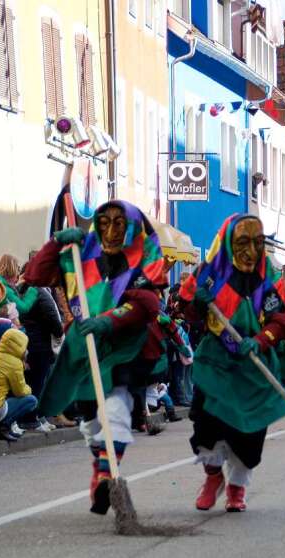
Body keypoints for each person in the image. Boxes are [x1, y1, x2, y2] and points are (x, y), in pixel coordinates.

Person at [24, 200, 168, 515]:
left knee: (116, 409)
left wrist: (107, 321)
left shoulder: (143, 259)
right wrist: (55, 243)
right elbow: (34, 276)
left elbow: (147, 305)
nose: (112, 231)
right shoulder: (80, 255)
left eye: (120, 223)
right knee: (90, 418)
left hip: (125, 349)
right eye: (105, 223)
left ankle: (106, 474)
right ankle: (100, 464)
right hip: (85, 347)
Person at [178, 213, 285, 512]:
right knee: (206, 424)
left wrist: (261, 339)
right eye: (243, 242)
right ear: (229, 242)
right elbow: (189, 314)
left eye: (257, 242)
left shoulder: (269, 276)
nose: (251, 250)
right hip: (216, 358)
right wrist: (198, 304)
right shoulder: (209, 273)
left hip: (253, 363)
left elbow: (282, 321)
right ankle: (213, 476)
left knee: (249, 434)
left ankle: (237, 487)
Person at [16, 260, 63, 432]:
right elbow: (52, 317)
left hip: (28, 342)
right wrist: (59, 334)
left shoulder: (21, 290)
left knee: (30, 382)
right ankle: (31, 419)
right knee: (37, 383)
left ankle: (33, 417)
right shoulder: (40, 292)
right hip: (40, 344)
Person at [0, 326, 38, 441]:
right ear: (19, 346)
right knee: (31, 400)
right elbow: (20, 392)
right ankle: (1, 427)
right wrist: (29, 389)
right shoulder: (15, 363)